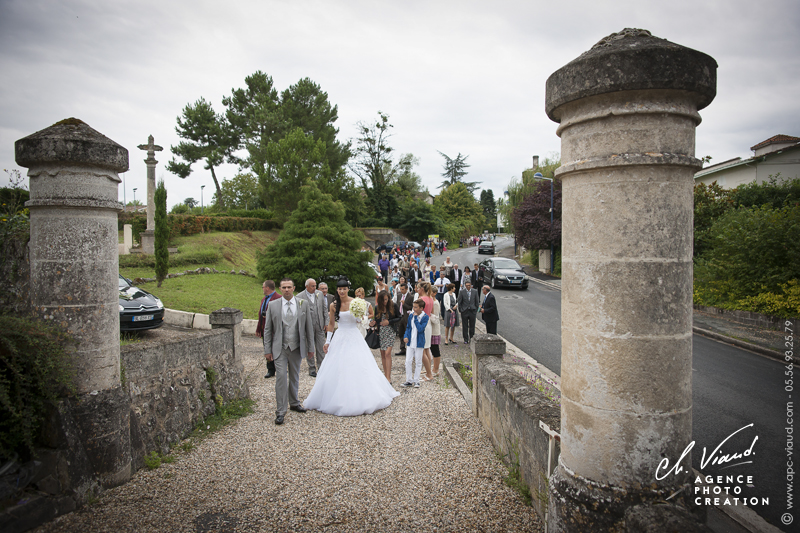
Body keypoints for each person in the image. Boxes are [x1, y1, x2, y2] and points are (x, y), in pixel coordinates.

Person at [304, 278, 400, 416]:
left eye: (344, 289)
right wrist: (328, 341)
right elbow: (331, 324)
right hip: (340, 335)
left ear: (348, 289)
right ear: (336, 290)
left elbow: (361, 319)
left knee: (358, 364)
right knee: (337, 365)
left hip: (354, 335)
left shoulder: (356, 303)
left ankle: (362, 396)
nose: (342, 291)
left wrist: (360, 316)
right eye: (339, 289)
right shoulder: (333, 305)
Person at [263, 278, 316, 425]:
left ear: (294, 288)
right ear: (280, 289)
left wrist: (311, 348)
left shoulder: (303, 304)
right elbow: (267, 329)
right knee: (280, 377)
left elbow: (309, 328)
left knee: (295, 375)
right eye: (284, 287)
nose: (286, 290)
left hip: (297, 347)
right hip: (280, 348)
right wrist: (267, 350)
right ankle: (280, 411)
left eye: (289, 287)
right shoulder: (273, 305)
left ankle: (294, 402)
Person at [296, 278, 329, 378]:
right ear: (307, 286)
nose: (315, 288)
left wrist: (326, 322)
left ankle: (321, 367)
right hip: (307, 327)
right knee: (309, 347)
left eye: (315, 286)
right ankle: (311, 368)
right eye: (312, 286)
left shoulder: (319, 294)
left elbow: (324, 309)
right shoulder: (299, 297)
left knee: (321, 347)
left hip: (319, 325)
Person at [371, 290, 400, 382]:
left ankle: (388, 377)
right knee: (383, 354)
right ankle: (386, 374)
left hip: (390, 331)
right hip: (381, 332)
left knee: (387, 353)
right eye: (383, 300)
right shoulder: (377, 307)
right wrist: (373, 323)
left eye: (386, 299)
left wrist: (389, 322)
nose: (385, 302)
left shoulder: (393, 305)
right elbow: (377, 320)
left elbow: (399, 317)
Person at [256, 279, 281, 379]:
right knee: (267, 348)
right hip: (265, 329)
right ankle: (270, 369)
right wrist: (259, 329)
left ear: (267, 288)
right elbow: (260, 315)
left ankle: (279, 368)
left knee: (277, 349)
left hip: (275, 329)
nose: (262, 289)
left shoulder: (278, 298)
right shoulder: (264, 299)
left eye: (263, 287)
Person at [401, 299, 429, 388]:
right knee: (408, 361)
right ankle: (408, 380)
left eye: (416, 307)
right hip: (410, 342)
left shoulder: (425, 317)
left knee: (418, 361)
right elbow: (408, 327)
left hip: (419, 342)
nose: (414, 309)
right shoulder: (411, 315)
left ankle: (416, 380)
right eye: (413, 307)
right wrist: (406, 336)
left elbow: (420, 329)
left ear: (421, 308)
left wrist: (416, 318)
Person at [456, 280, 479, 344]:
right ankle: (465, 339)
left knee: (472, 326)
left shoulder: (475, 291)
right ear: (465, 286)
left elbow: (477, 301)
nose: (468, 287)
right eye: (466, 286)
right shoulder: (462, 292)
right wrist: (460, 310)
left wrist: (476, 309)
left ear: (471, 285)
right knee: (465, 326)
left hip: (472, 311)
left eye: (469, 285)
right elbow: (459, 301)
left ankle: (471, 338)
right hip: (465, 311)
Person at [395, 283, 414, 356]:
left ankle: (410, 348)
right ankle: (402, 348)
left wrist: (404, 304)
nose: (401, 291)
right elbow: (397, 305)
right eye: (400, 289)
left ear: (406, 289)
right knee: (401, 333)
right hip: (400, 316)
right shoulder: (399, 295)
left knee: (408, 333)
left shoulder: (410, 297)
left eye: (403, 289)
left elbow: (411, 307)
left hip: (407, 317)